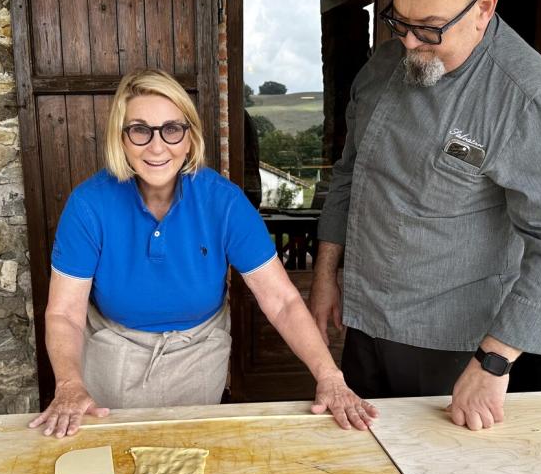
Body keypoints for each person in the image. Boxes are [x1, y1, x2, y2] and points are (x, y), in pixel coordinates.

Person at [309, 0, 541, 431]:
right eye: (399, 22)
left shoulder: (530, 102)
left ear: (484, 7)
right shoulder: (383, 65)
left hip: (456, 344)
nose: (410, 45)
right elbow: (350, 171)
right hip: (365, 321)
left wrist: (495, 362)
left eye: (430, 28)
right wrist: (325, 274)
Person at [29, 69, 377, 438]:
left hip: (197, 351)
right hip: (112, 349)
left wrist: (329, 376)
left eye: (172, 129)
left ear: (190, 138)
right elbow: (65, 313)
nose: (157, 146)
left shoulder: (223, 201)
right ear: (122, 139)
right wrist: (68, 384)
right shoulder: (89, 203)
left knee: (189, 453)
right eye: (140, 130)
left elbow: (282, 301)